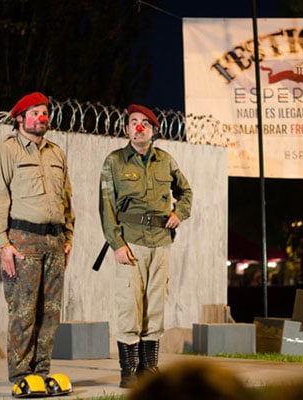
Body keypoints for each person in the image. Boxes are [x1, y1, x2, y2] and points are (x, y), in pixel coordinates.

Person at [0, 92, 75, 397]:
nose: (42, 117)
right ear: (20, 118)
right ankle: (21, 375)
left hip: (55, 241)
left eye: (44, 112)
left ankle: (41, 372)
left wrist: (68, 237)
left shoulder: (56, 153)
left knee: (50, 312)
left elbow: (67, 198)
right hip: (23, 240)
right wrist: (3, 244)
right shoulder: (8, 150)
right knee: (24, 310)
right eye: (35, 113)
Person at [99, 104, 192, 388]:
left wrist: (179, 213)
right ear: (127, 128)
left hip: (161, 243)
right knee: (129, 305)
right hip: (131, 243)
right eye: (133, 122)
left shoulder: (165, 160)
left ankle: (149, 367)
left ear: (153, 130)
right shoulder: (115, 161)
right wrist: (116, 244)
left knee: (155, 306)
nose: (138, 127)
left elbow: (185, 191)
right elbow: (106, 206)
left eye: (145, 123)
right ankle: (128, 371)